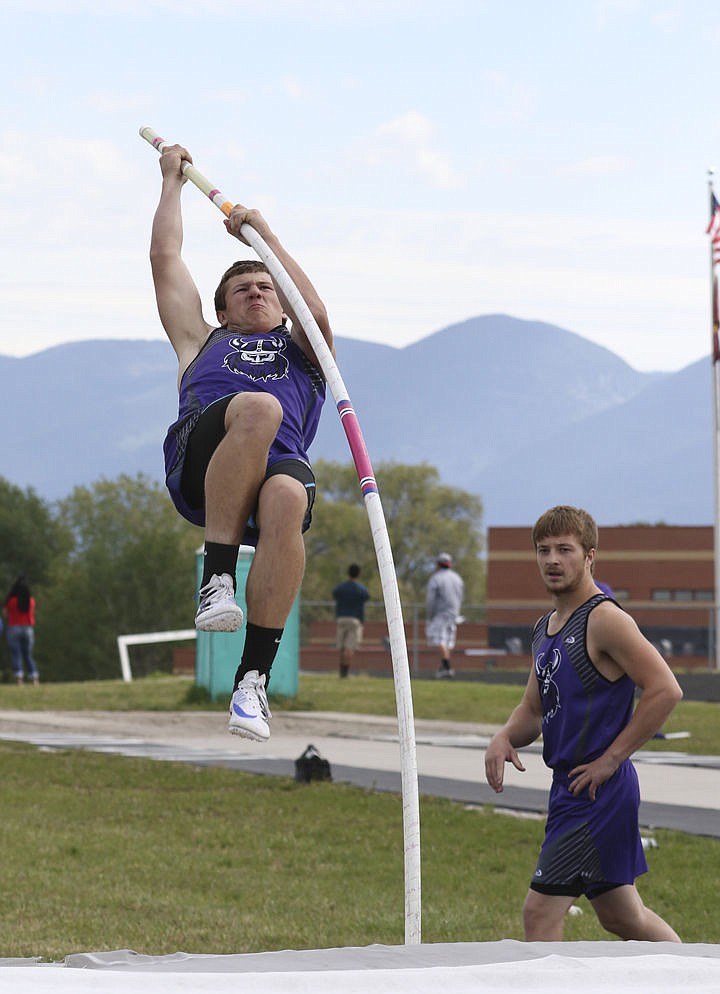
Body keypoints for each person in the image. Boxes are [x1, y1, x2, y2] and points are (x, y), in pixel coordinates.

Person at [150, 143, 334, 743]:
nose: (257, 292)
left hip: (277, 467)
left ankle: (251, 681)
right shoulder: (200, 343)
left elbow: (315, 312)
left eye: (266, 287)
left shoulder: (306, 354)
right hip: (205, 463)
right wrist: (171, 184)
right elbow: (165, 258)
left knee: (288, 498)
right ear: (222, 312)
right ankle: (218, 578)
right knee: (258, 407)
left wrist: (264, 237)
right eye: (243, 290)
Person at [484, 505, 682, 942]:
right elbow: (533, 710)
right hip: (570, 787)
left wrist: (611, 760)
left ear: (590, 555)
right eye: (543, 550)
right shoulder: (545, 627)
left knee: (539, 914)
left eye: (565, 549)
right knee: (621, 915)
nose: (553, 560)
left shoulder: (605, 619)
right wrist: (502, 737)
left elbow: (665, 689)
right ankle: (696, 976)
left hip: (597, 791)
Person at [426, 553, 464, 678]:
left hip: (441, 614)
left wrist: (430, 615)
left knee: (438, 639)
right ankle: (444, 666)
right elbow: (460, 596)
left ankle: (447, 667)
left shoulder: (436, 578)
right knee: (447, 641)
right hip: (454, 614)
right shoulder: (457, 578)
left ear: (438, 564)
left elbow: (431, 599)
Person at [332, 564, 370, 678]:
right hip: (354, 619)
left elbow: (335, 594)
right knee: (349, 647)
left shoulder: (341, 588)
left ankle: (341, 670)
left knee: (342, 646)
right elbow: (366, 597)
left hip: (341, 618)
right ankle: (345, 673)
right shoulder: (360, 589)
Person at [3, 576, 40, 686]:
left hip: (14, 627)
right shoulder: (31, 600)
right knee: (28, 655)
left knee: (16, 654)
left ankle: (19, 678)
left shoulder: (11, 601)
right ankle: (34, 677)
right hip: (28, 628)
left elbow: (5, 613)